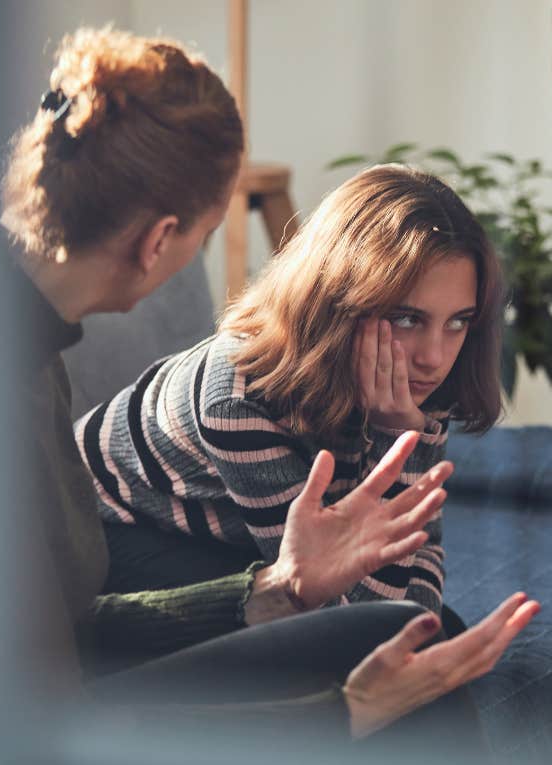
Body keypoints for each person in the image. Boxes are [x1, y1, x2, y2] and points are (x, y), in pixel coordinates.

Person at [0, 26, 538, 747]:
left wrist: (276, 587)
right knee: (404, 693)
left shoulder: (6, 336)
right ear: (159, 240)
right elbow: (40, 716)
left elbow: (71, 631)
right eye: (207, 231)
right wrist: (341, 709)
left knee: (412, 638)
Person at [77, 164, 503, 623]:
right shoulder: (239, 397)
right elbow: (344, 612)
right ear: (340, 302)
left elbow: (417, 561)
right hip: (108, 534)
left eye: (458, 321)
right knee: (344, 642)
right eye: (406, 319)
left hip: (239, 539)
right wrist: (395, 437)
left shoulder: (417, 382)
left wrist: (400, 433)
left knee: (438, 631)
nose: (434, 357)